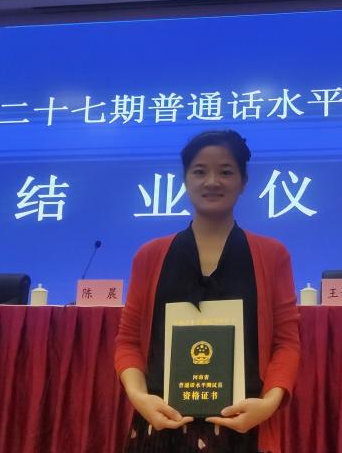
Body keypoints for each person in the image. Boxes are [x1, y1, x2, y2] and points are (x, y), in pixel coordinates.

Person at [114, 130, 301, 453]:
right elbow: (128, 340)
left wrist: (269, 403)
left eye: (226, 171)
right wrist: (139, 396)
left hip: (243, 426)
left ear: (243, 181)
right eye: (199, 171)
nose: (212, 181)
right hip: (162, 425)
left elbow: (286, 342)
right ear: (185, 180)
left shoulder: (272, 254)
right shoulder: (150, 255)